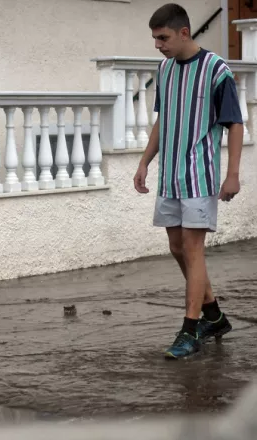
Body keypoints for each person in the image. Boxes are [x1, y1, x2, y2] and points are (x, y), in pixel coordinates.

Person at [134, 3, 244, 359]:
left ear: (184, 32)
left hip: (199, 176)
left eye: (162, 37)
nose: (158, 45)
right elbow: (162, 121)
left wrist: (232, 174)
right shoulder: (164, 70)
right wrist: (144, 162)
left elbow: (235, 123)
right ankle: (214, 315)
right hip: (169, 176)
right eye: (154, 38)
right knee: (177, 248)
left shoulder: (216, 70)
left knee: (193, 249)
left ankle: (189, 330)